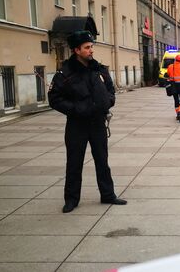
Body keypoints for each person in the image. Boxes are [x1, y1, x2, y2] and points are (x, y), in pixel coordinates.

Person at [48, 30, 127, 213]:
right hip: (77, 124)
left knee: (102, 160)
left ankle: (108, 195)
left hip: (97, 123)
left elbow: (110, 91)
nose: (91, 50)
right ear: (76, 50)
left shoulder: (99, 69)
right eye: (87, 47)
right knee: (74, 162)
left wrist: (107, 103)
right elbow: (54, 99)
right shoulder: (65, 72)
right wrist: (77, 109)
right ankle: (71, 199)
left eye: (92, 47)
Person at [166, 54, 180, 123]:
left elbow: (168, 74)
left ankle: (177, 115)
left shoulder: (170, 66)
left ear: (175, 60)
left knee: (176, 100)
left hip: (173, 85)